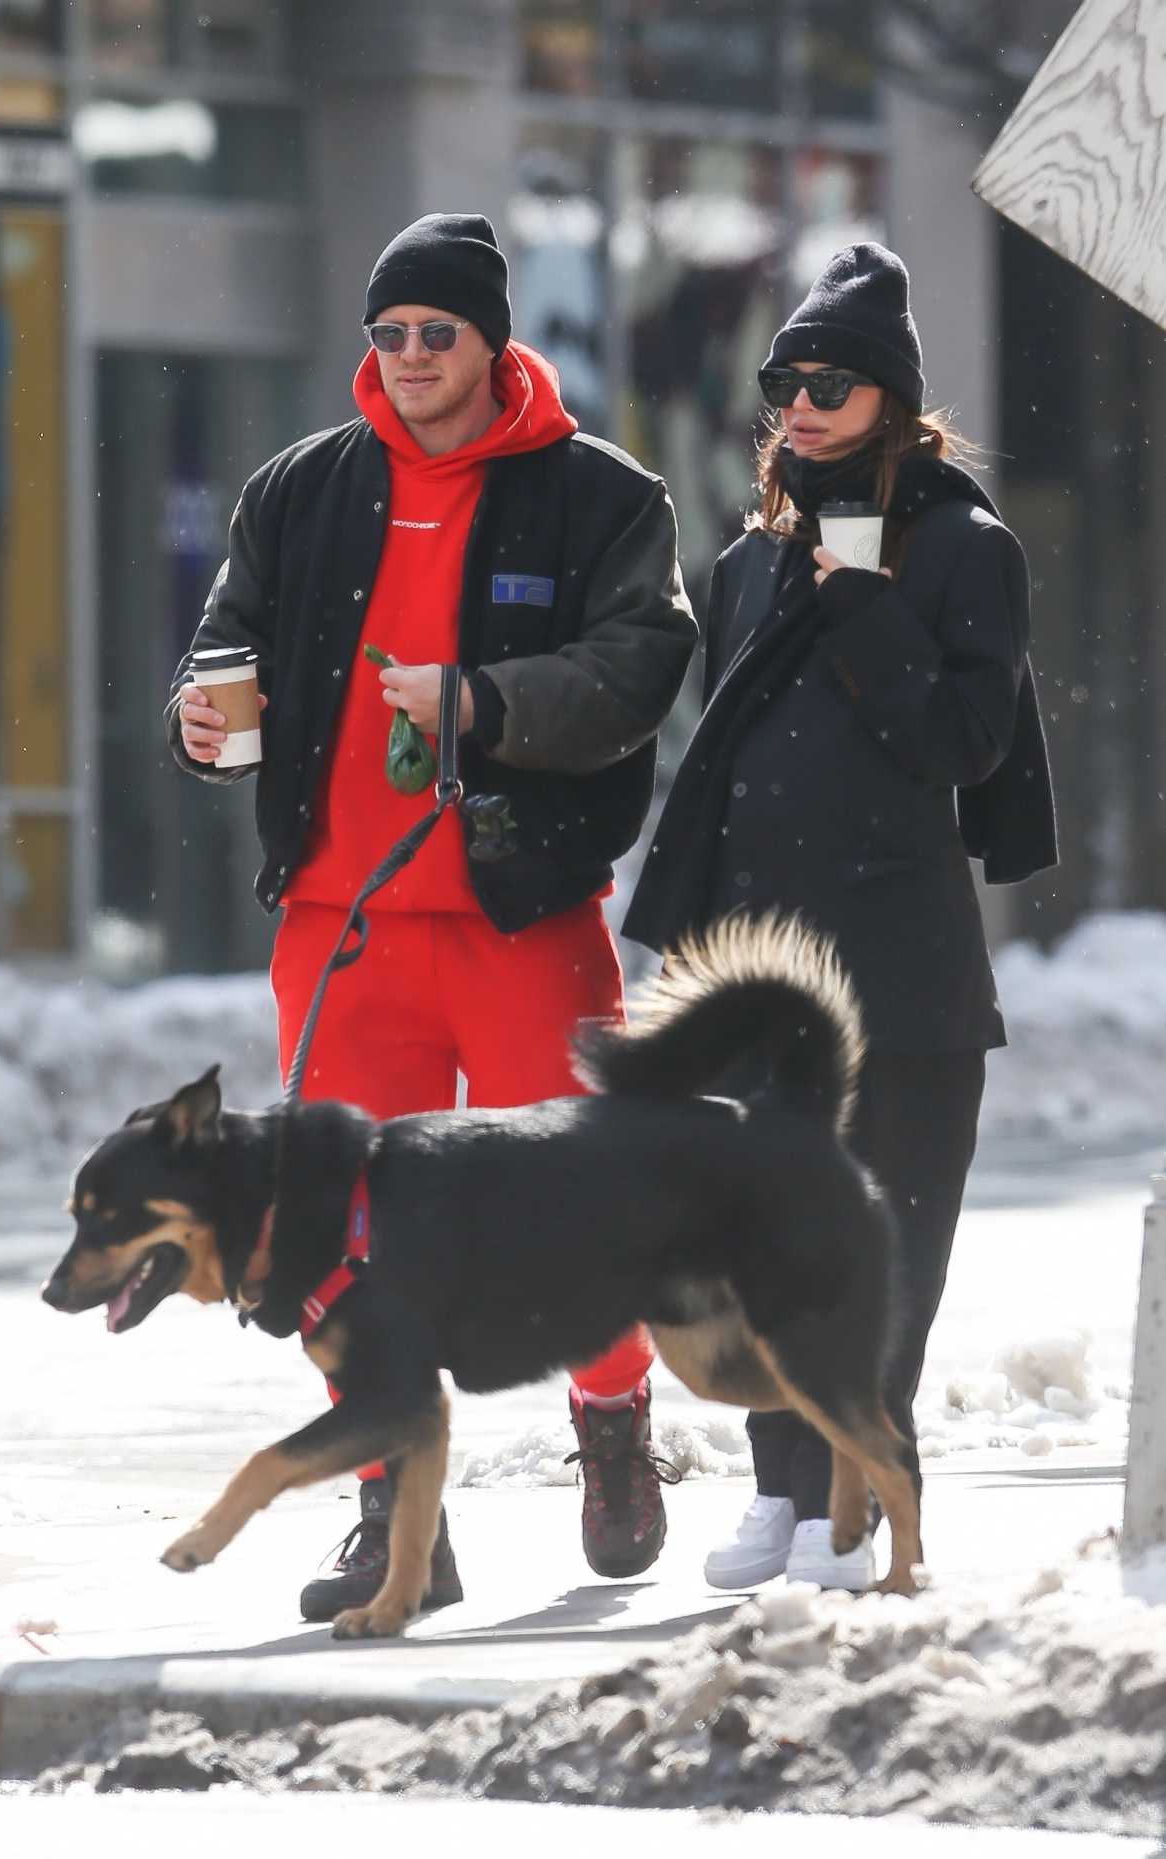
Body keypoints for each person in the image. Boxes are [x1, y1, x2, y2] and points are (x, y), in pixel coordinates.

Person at [166, 212, 696, 1620]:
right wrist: (209, 712)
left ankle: (613, 1425)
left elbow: (642, 662)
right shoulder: (297, 488)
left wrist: (485, 703)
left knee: (580, 1203)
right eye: (387, 333)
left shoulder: (599, 494)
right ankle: (397, 1524)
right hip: (342, 925)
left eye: (435, 334)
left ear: (489, 342)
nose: (407, 358)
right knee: (346, 1243)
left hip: (524, 911)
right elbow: (227, 634)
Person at [624, 242, 1056, 1592]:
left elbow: (966, 744)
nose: (801, 406)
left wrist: (867, 615)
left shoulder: (963, 548)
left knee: (881, 1251)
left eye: (831, 384)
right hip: (760, 975)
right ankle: (778, 1489)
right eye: (784, 384)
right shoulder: (752, 557)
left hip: (900, 976)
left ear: (891, 399)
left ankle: (857, 1500)